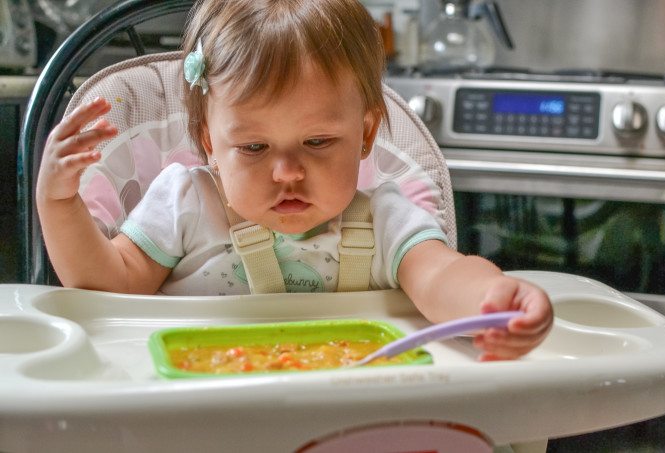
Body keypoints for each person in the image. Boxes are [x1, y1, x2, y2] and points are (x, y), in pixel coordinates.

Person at [36, 0, 552, 361]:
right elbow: (105, 285)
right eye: (254, 148)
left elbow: (442, 278)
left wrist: (491, 301)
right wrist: (59, 203)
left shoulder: (385, 220)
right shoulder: (186, 204)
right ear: (209, 143)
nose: (287, 173)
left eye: (319, 142)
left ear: (366, 133)